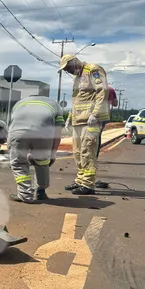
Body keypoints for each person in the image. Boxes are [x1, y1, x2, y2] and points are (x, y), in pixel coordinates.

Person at [59, 54, 109, 195]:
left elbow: (102, 92)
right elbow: (78, 100)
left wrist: (95, 113)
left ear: (74, 61)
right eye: (65, 70)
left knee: (87, 151)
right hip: (78, 120)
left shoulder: (93, 70)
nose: (67, 71)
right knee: (77, 153)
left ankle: (88, 184)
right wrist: (69, 117)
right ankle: (80, 180)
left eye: (68, 67)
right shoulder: (78, 77)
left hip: (90, 120)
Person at [6, 95, 67, 203]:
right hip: (43, 134)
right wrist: (52, 154)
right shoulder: (55, 105)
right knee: (42, 162)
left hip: (18, 133)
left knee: (19, 164)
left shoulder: (19, 104)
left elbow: (12, 124)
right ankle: (41, 191)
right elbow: (57, 132)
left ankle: (25, 195)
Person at [93, 84, 119, 189]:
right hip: (103, 116)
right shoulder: (110, 89)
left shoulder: (90, 87)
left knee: (88, 138)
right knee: (97, 138)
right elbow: (115, 104)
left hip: (88, 115)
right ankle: (95, 157)